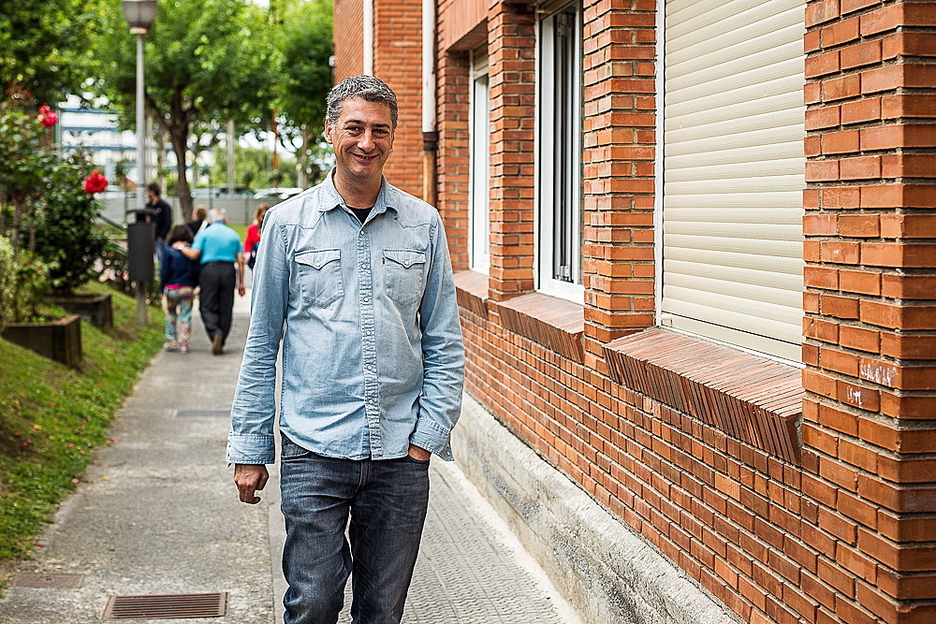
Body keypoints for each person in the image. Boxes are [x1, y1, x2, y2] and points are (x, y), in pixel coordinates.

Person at [228, 75, 464, 624]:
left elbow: (444, 340)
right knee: (313, 603)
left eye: (380, 130)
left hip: (399, 455)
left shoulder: (423, 225)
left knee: (382, 611)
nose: (366, 141)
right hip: (313, 447)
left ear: (393, 138)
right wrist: (250, 446)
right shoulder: (287, 225)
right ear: (331, 132)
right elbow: (263, 342)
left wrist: (427, 438)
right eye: (354, 127)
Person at [175, 207, 246, 355]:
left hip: (209, 270)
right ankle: (222, 337)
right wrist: (241, 283)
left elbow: (194, 254)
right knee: (226, 306)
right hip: (228, 270)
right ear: (225, 220)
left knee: (206, 305)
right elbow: (240, 260)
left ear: (209, 221)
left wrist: (181, 247)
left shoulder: (204, 233)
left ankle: (215, 332)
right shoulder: (233, 234)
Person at [159, 225, 200, 353]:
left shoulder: (168, 252)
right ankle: (184, 343)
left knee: (171, 314)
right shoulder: (191, 252)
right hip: (187, 289)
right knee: (185, 315)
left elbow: (164, 271)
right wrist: (195, 285)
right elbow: (196, 270)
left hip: (172, 288)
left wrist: (161, 288)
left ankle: (172, 340)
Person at [145, 182, 173, 261]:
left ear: (153, 192)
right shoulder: (148, 206)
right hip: (150, 236)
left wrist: (162, 235)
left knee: (162, 258)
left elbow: (168, 221)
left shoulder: (164, 206)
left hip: (160, 237)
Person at [243, 203, 270, 270]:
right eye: (263, 216)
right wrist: (247, 253)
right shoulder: (252, 228)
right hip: (256, 257)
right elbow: (248, 243)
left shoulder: (271, 228)